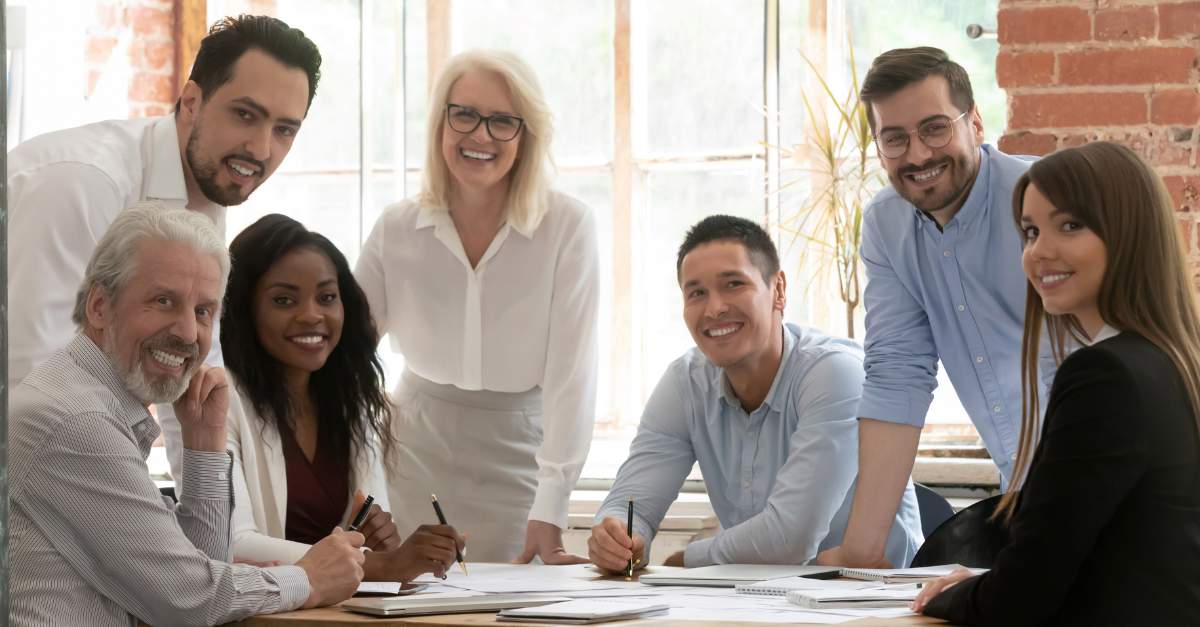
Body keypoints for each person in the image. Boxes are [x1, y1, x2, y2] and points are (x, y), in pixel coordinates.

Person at [8, 204, 365, 627]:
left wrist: (204, 445)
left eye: (202, 311)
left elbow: (197, 575)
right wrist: (308, 578)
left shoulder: (92, 404)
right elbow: (189, 601)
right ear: (100, 307)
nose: (187, 333)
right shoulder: (76, 420)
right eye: (164, 301)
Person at [7, 14, 321, 477]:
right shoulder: (84, 182)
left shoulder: (206, 203)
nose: (260, 148)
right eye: (245, 114)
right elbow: (30, 384)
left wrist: (223, 524)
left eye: (284, 130)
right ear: (191, 101)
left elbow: (194, 382)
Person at [912, 142, 1200, 624]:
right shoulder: (1173, 362)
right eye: (1030, 231)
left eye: (1070, 226)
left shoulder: (1106, 377)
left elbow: (1024, 592)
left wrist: (942, 598)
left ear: (1128, 234)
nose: (1038, 252)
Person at [356, 49, 600, 563]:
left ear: (526, 134)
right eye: (463, 114)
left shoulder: (568, 227)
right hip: (411, 453)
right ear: (440, 121)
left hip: (520, 461)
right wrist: (360, 478)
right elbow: (345, 362)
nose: (480, 136)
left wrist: (551, 508)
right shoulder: (395, 228)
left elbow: (571, 379)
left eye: (502, 122)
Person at [817, 46, 1052, 568]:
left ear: (975, 123)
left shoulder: (1043, 199)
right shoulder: (885, 226)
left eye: (935, 128)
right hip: (1024, 496)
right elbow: (897, 375)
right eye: (894, 138)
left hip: (1112, 481)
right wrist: (862, 550)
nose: (918, 154)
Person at [588, 216, 922, 571]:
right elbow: (633, 503)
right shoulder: (685, 382)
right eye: (696, 293)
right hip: (759, 598)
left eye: (733, 284)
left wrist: (686, 560)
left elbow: (791, 537)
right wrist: (621, 537)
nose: (714, 308)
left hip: (873, 599)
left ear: (778, 290)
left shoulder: (835, 373)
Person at [221, 214, 465, 581]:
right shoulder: (220, 398)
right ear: (245, 309)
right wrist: (378, 563)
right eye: (284, 300)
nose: (311, 315)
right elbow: (232, 543)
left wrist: (383, 543)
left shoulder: (351, 400)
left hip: (336, 610)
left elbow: (370, 532)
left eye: (327, 297)